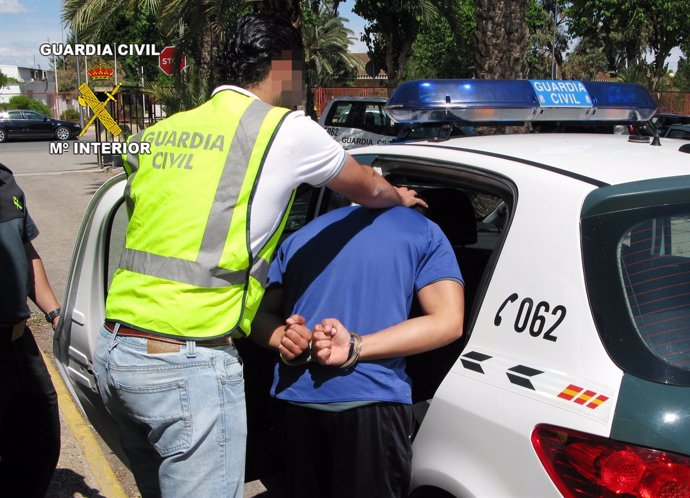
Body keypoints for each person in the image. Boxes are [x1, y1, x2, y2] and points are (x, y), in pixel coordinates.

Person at [92, 13, 425, 498]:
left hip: (116, 353)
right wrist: (401, 197)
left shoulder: (163, 131)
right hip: (188, 364)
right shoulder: (284, 129)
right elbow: (367, 187)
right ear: (282, 67)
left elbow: (158, 216)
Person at [253, 196, 465, 498]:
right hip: (371, 402)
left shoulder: (301, 235)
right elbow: (448, 321)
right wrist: (355, 346)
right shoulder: (424, 231)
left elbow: (256, 315)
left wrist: (287, 339)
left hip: (293, 403)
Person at [0, 162, 62, 498]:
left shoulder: (5, 182)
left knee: (40, 441)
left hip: (18, 341)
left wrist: (54, 313)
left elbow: (26, 248)